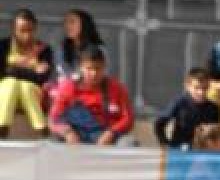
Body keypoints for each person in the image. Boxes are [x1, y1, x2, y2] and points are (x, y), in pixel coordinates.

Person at [48, 45, 133, 145]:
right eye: (89, 69)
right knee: (53, 143)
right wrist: (67, 132)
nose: (94, 73)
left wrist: (111, 133)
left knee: (129, 143)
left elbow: (127, 118)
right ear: (81, 68)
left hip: (107, 135)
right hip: (76, 135)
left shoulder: (117, 88)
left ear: (104, 67)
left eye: (98, 68)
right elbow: (53, 118)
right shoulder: (68, 87)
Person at [0, 8, 55, 138]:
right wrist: (31, 72)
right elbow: (2, 72)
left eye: (30, 30)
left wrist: (12, 69)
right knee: (12, 83)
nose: (27, 35)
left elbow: (42, 78)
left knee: (24, 86)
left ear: (35, 29)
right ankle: (3, 128)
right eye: (22, 30)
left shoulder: (44, 50)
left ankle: (41, 130)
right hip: (5, 92)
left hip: (32, 93)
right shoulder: (3, 46)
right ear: (14, 29)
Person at [155, 68, 220, 149]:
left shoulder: (213, 108)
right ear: (187, 86)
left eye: (205, 88)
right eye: (196, 88)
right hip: (181, 150)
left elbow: (216, 134)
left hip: (203, 152)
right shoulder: (179, 103)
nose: (201, 92)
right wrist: (165, 143)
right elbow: (159, 123)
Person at [55, 9, 104, 82]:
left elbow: (103, 72)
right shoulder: (62, 48)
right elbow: (61, 71)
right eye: (66, 22)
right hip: (68, 87)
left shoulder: (99, 49)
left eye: (72, 22)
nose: (68, 26)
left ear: (85, 24)